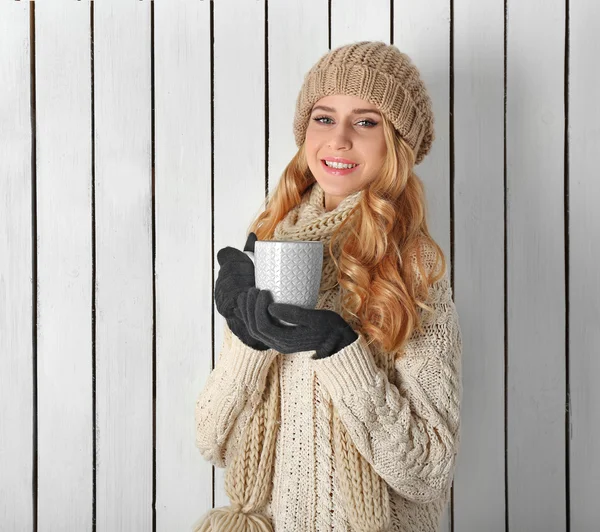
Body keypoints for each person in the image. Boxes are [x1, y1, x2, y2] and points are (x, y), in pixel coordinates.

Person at [193, 40, 463, 532]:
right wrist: (249, 342)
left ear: (396, 143)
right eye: (323, 117)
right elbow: (212, 440)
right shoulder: (271, 244)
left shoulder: (412, 266)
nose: (338, 139)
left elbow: (427, 471)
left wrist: (341, 350)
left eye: (365, 121)